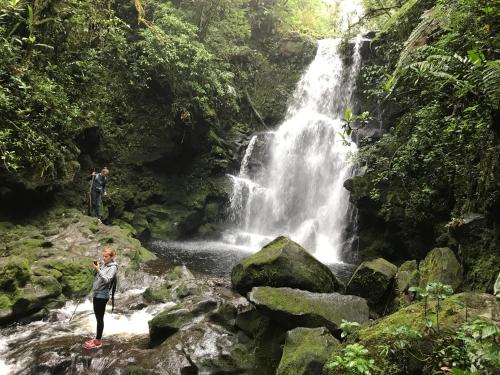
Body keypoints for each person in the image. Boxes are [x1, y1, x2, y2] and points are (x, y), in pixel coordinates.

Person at [83, 246, 118, 350]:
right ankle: (97, 339)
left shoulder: (113, 267)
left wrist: (98, 269)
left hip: (102, 295)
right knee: (98, 317)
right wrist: (96, 268)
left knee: (99, 318)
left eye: (106, 256)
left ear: (112, 257)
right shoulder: (105, 265)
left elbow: (107, 280)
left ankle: (98, 341)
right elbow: (97, 276)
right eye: (103, 256)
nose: (104, 258)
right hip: (97, 294)